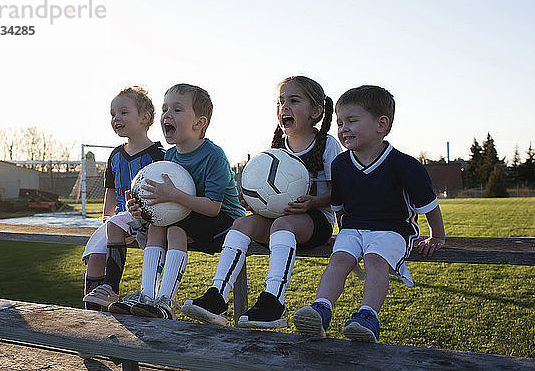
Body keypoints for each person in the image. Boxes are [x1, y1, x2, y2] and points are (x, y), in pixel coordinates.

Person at [182, 76, 342, 329]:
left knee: (282, 226)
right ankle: (217, 297)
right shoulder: (278, 147)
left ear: (316, 111)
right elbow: (268, 195)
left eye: (294, 101)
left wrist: (312, 202)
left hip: (316, 222)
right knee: (243, 224)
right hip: (279, 220)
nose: (284, 107)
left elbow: (339, 193)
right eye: (280, 102)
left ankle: (273, 304)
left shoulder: (328, 145)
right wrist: (254, 201)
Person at [292, 85, 446, 342]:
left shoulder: (404, 165)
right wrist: (341, 234)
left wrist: (437, 236)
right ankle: (321, 310)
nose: (343, 129)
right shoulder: (340, 164)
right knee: (339, 259)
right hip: (353, 228)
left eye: (352, 121)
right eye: (340, 123)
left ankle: (367, 317)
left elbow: (429, 206)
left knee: (375, 259)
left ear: (381, 124)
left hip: (393, 229)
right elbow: (340, 207)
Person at [110, 83, 245, 319]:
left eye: (177, 109)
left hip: (226, 220)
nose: (167, 115)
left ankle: (165, 302)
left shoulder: (214, 155)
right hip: (190, 214)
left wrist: (173, 195)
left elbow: (213, 207)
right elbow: (166, 203)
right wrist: (141, 207)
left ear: (199, 123)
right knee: (155, 226)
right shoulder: (169, 156)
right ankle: (146, 295)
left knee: (175, 231)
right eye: (164, 109)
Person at [81, 86, 164, 311]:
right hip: (119, 219)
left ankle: (111, 288)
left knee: (116, 227)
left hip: (147, 218)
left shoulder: (158, 155)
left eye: (123, 112)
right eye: (113, 114)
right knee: (95, 254)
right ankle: (93, 309)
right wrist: (107, 217)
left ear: (144, 117)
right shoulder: (116, 155)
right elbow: (110, 189)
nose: (116, 118)